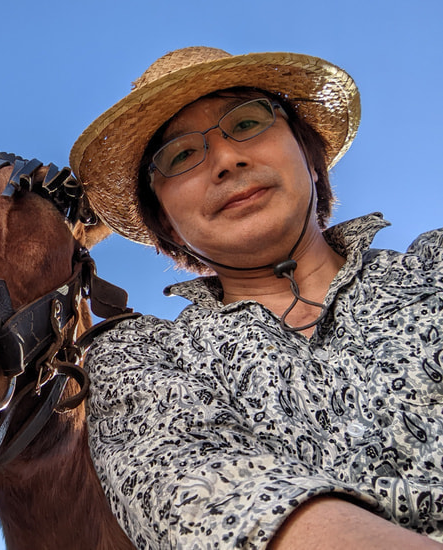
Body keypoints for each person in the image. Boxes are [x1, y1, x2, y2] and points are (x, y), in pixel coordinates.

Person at [69, 46, 443, 549]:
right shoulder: (142, 362)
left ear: (310, 159)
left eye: (246, 124)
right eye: (180, 156)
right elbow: (210, 503)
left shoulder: (432, 267)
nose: (226, 160)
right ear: (167, 225)